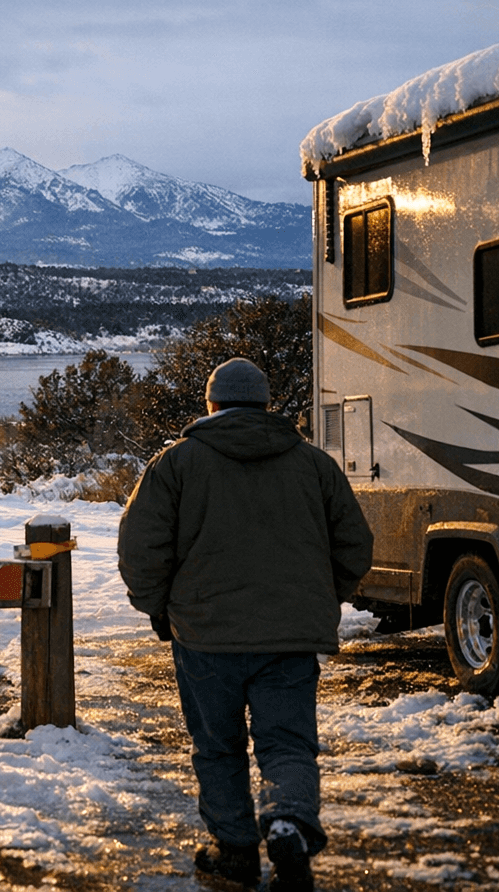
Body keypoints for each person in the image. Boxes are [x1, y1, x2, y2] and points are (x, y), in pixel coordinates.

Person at [116, 357, 372, 892]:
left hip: (205, 635)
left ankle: (234, 852)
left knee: (218, 746)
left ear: (210, 404)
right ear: (264, 403)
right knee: (287, 744)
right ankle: (287, 821)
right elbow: (355, 544)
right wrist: (321, 599)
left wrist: (158, 609)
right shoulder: (313, 464)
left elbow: (141, 548)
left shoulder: (176, 464)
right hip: (290, 639)